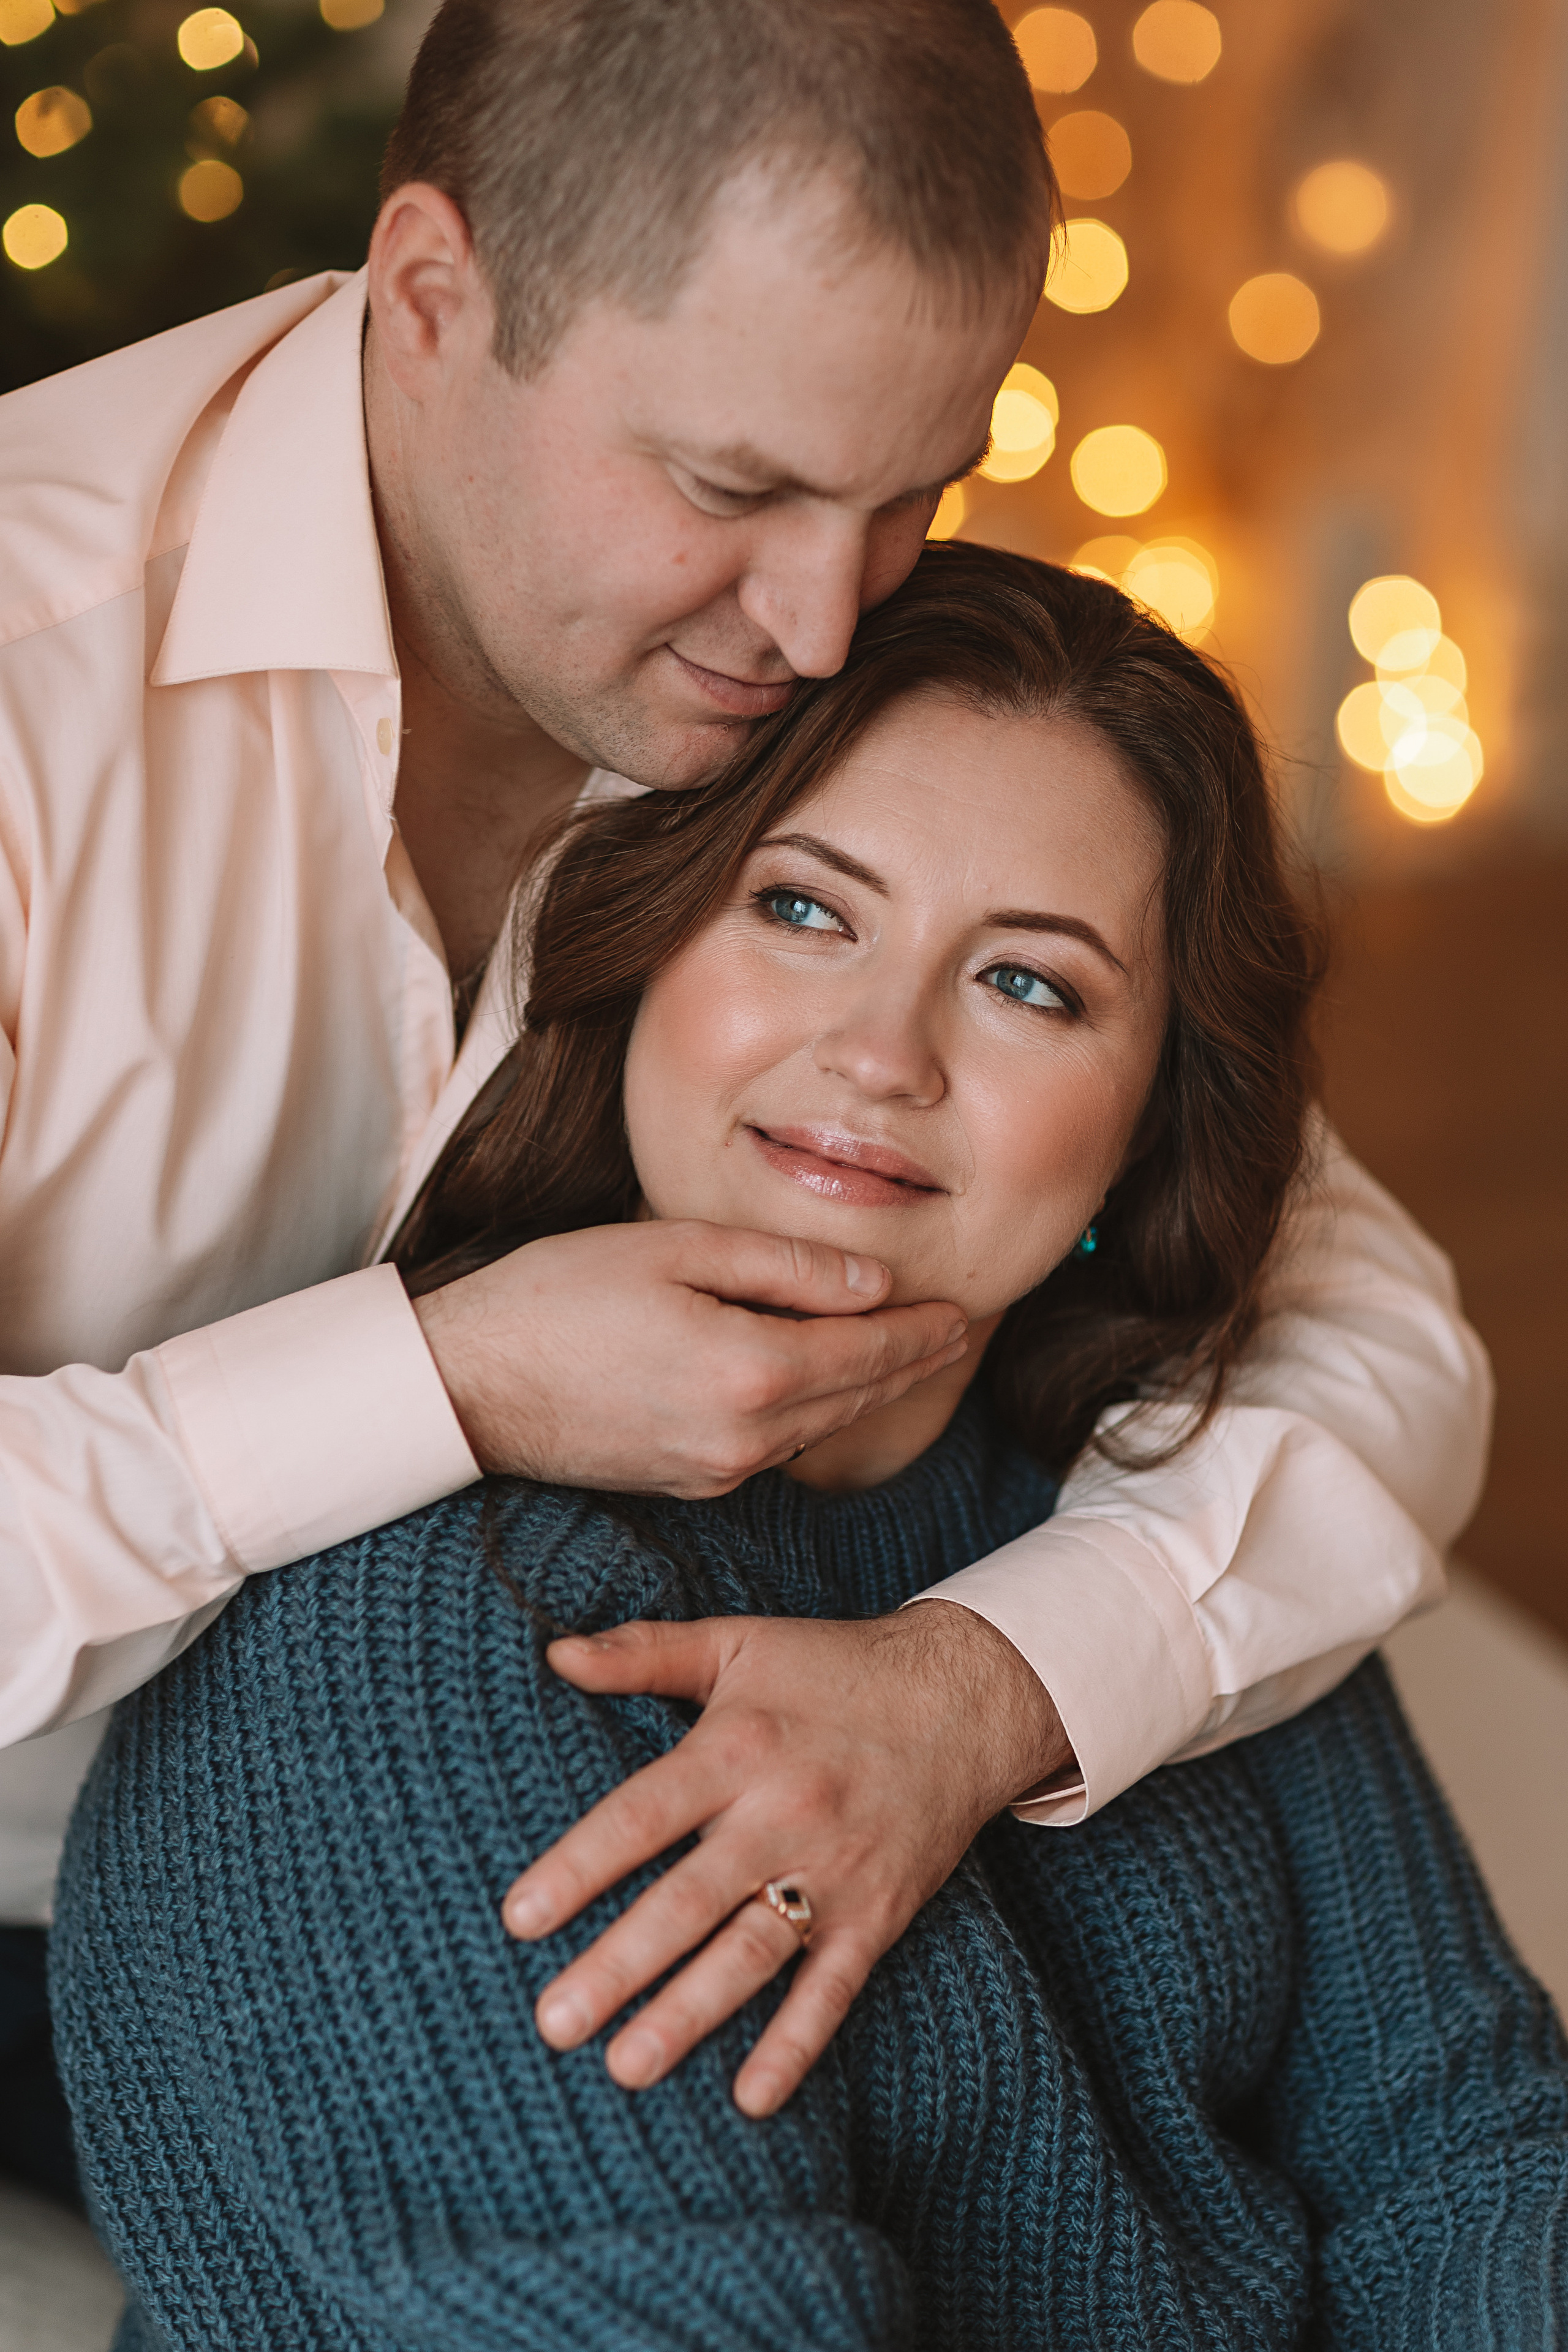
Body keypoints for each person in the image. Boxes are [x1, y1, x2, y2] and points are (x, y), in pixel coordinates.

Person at [2, 0, 1487, 2180]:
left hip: (646, 1755)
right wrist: (439, 1385)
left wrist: (985, 1686)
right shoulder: (34, 695)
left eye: (913, 495)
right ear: (434, 298)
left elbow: (1365, 1319)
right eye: (735, 487)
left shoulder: (805, 645)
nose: (815, 620)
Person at [53, 549, 1565, 2351]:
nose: (882, 1052)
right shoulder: (413, 1636)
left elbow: (1472, 2153)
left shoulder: (1167, 1500)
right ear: (636, 944)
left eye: (1031, 987)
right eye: (804, 909)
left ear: (1152, 1119)